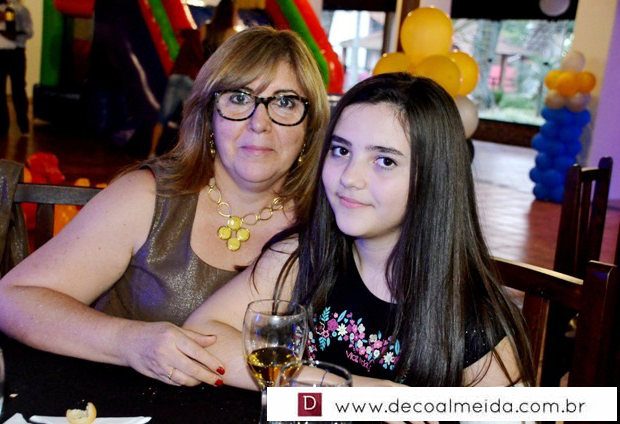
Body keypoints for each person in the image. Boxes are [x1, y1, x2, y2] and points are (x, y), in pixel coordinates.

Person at [0, 27, 329, 388]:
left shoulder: (330, 223)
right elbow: (12, 301)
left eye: (285, 102)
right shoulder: (147, 197)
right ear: (208, 115)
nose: (259, 123)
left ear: (310, 127)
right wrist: (128, 341)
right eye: (239, 98)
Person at [185, 73, 535, 389]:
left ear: (433, 179)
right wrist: (341, 388)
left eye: (385, 161)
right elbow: (202, 334)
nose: (349, 177)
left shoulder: (473, 320)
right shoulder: (302, 256)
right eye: (341, 151)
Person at [148, 28, 206, 158]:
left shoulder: (193, 34)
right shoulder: (207, 45)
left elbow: (177, 32)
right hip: (191, 79)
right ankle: (183, 155)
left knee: (162, 118)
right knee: (187, 120)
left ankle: (151, 152)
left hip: (177, 75)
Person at [0, 0, 33, 136]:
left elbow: (29, 32)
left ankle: (23, 124)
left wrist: (15, 37)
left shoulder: (21, 10)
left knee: (18, 89)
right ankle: (0, 126)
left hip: (15, 52)